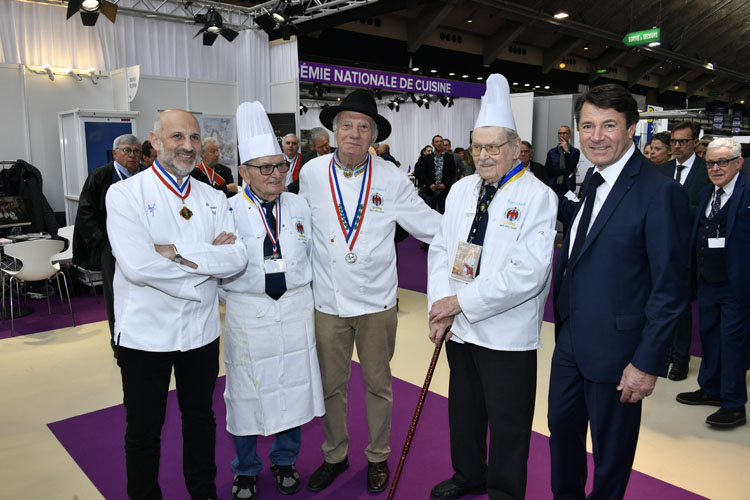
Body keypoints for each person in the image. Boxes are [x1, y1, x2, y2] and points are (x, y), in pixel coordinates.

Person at [548, 84, 689, 500]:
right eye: (587, 126)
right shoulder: (592, 180)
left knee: (611, 456)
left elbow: (670, 288)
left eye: (608, 125)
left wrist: (645, 363)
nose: (596, 136)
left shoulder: (659, 191)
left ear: (631, 130)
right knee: (561, 435)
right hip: (570, 341)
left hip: (619, 352)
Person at [299, 90, 441, 494]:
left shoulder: (391, 176)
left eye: (363, 127)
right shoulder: (311, 173)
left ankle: (378, 455)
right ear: (335, 130)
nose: (354, 133)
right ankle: (335, 454)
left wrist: (472, 239)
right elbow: (298, 228)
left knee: (379, 384)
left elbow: (426, 223)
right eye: (347, 125)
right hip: (327, 300)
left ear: (373, 136)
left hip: (377, 300)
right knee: (332, 385)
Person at [427, 74, 557, 500]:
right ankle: (468, 474)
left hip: (505, 332)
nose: (482, 156)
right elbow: (440, 250)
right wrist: (439, 308)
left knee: (508, 422)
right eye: (476, 147)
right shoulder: (461, 190)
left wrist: (459, 302)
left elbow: (528, 273)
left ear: (516, 148)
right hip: (459, 327)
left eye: (493, 147)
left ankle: (504, 490)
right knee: (463, 410)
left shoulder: (538, 196)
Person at [106, 109, 247, 500]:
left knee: (200, 419)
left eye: (194, 137)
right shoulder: (125, 194)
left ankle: (203, 492)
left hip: (200, 332)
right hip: (145, 334)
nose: (188, 146)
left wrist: (174, 252)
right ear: (155, 141)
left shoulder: (213, 197)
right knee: (144, 430)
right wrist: (207, 261)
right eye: (177, 137)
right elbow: (137, 266)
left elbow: (237, 257)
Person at [222, 102, 325, 499]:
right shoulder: (228, 211)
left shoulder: (298, 206)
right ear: (244, 172)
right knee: (246, 393)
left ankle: (285, 461)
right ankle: (246, 469)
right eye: (265, 168)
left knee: (292, 388)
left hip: (295, 308)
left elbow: (313, 253)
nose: (276, 174)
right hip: (249, 314)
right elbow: (219, 269)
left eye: (280, 165)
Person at [676, 138, 750, 428]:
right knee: (709, 335)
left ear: (738, 163)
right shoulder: (707, 192)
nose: (716, 168)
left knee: (732, 343)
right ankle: (710, 388)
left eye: (723, 162)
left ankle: (734, 405)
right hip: (707, 280)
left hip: (737, 284)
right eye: (710, 163)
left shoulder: (747, 191)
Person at [72, 134, 145, 355]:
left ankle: (143, 338)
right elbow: (86, 212)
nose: (132, 155)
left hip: (143, 245)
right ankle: (119, 341)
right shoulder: (100, 176)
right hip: (111, 246)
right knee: (115, 294)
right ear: (115, 153)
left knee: (143, 293)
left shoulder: (146, 176)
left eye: (136, 151)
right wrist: (102, 241)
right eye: (126, 150)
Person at [657, 122, 710, 381]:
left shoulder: (706, 171)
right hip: (659, 247)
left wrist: (676, 207)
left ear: (695, 142)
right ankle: (665, 351)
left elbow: (706, 209)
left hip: (689, 248)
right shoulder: (662, 170)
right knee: (660, 302)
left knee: (681, 305)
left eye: (683, 142)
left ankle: (680, 358)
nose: (677, 146)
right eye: (674, 142)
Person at [414, 134, 458, 213]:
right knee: (430, 213)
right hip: (430, 191)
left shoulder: (449, 157)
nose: (439, 143)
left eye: (441, 141)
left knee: (445, 213)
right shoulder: (427, 158)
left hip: (445, 191)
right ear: (433, 144)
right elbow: (423, 173)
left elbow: (453, 173)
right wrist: (430, 184)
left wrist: (445, 184)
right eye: (437, 142)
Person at [545, 125, 580, 195]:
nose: (562, 135)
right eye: (560, 133)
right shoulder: (552, 152)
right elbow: (548, 171)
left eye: (565, 133)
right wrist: (566, 171)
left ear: (569, 135)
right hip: (553, 186)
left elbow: (571, 167)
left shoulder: (575, 151)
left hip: (568, 187)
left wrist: (567, 151)